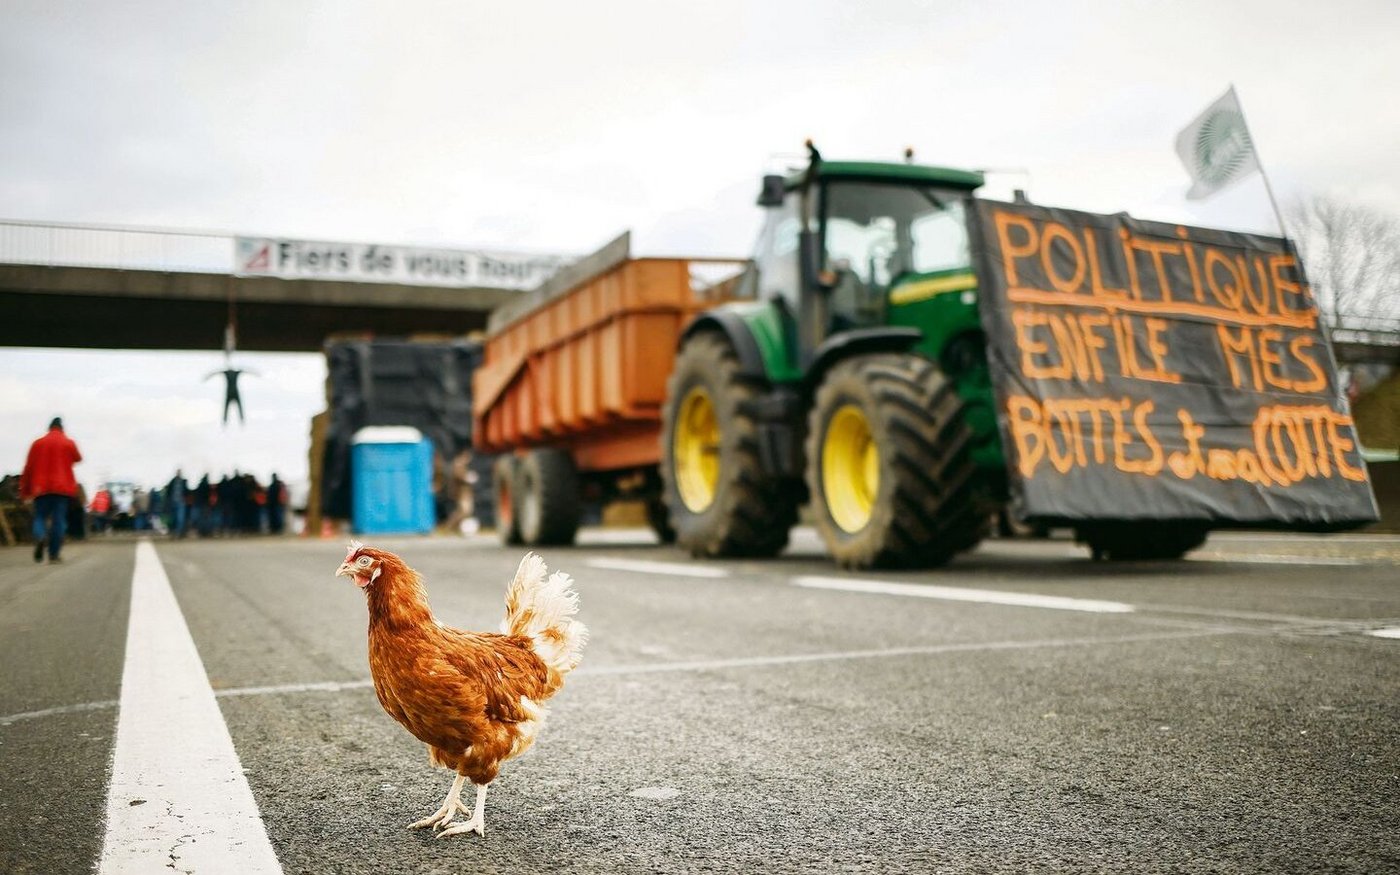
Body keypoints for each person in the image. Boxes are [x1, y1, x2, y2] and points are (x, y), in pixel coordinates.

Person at [19, 417, 83, 563]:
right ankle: (54, 555)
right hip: (62, 489)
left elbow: (28, 468)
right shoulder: (68, 443)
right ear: (62, 428)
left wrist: (24, 491)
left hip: (40, 488)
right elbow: (78, 458)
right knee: (58, 521)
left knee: (40, 517)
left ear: (49, 427)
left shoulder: (37, 443)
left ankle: (40, 536)